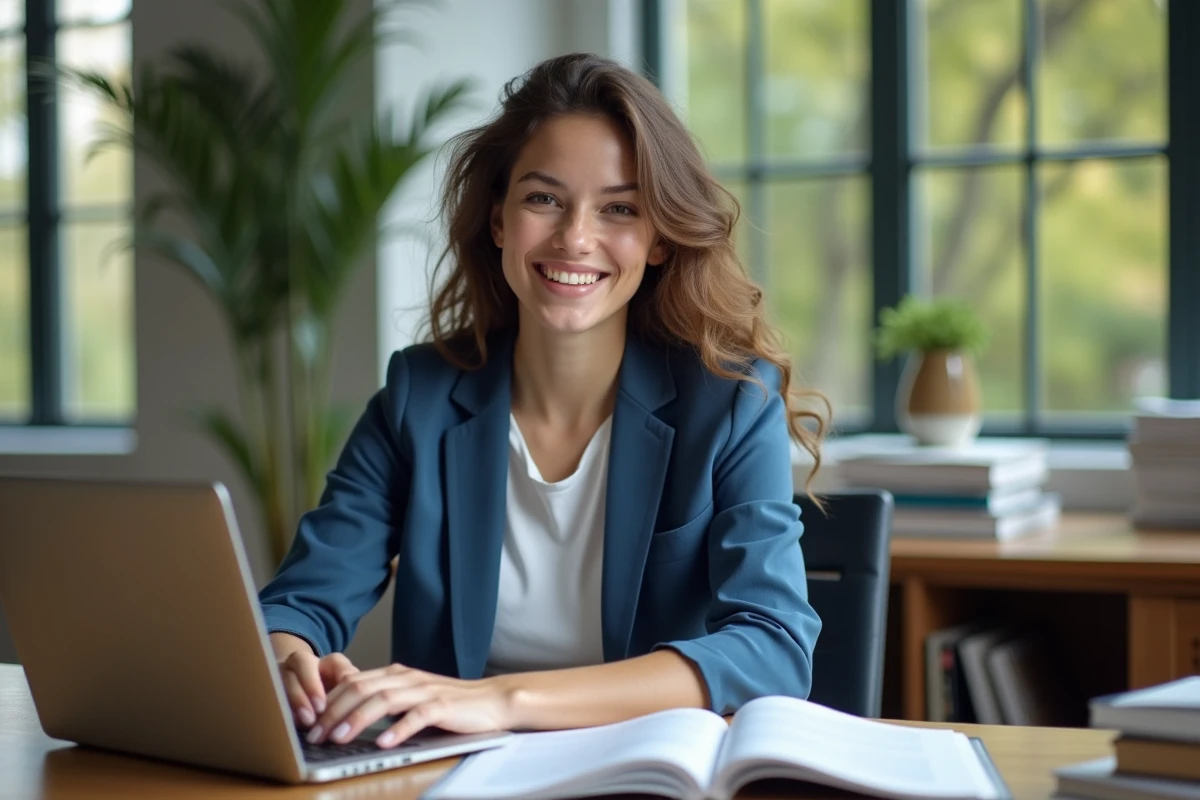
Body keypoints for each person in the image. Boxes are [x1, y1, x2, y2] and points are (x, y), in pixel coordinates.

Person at [258, 52, 828, 752]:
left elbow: (772, 646)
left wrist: (503, 700)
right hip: (456, 778)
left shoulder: (731, 404)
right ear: (498, 219)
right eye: (544, 198)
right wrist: (293, 666)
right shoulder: (420, 398)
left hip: (645, 772)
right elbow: (297, 603)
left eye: (619, 208)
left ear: (656, 240)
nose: (575, 237)